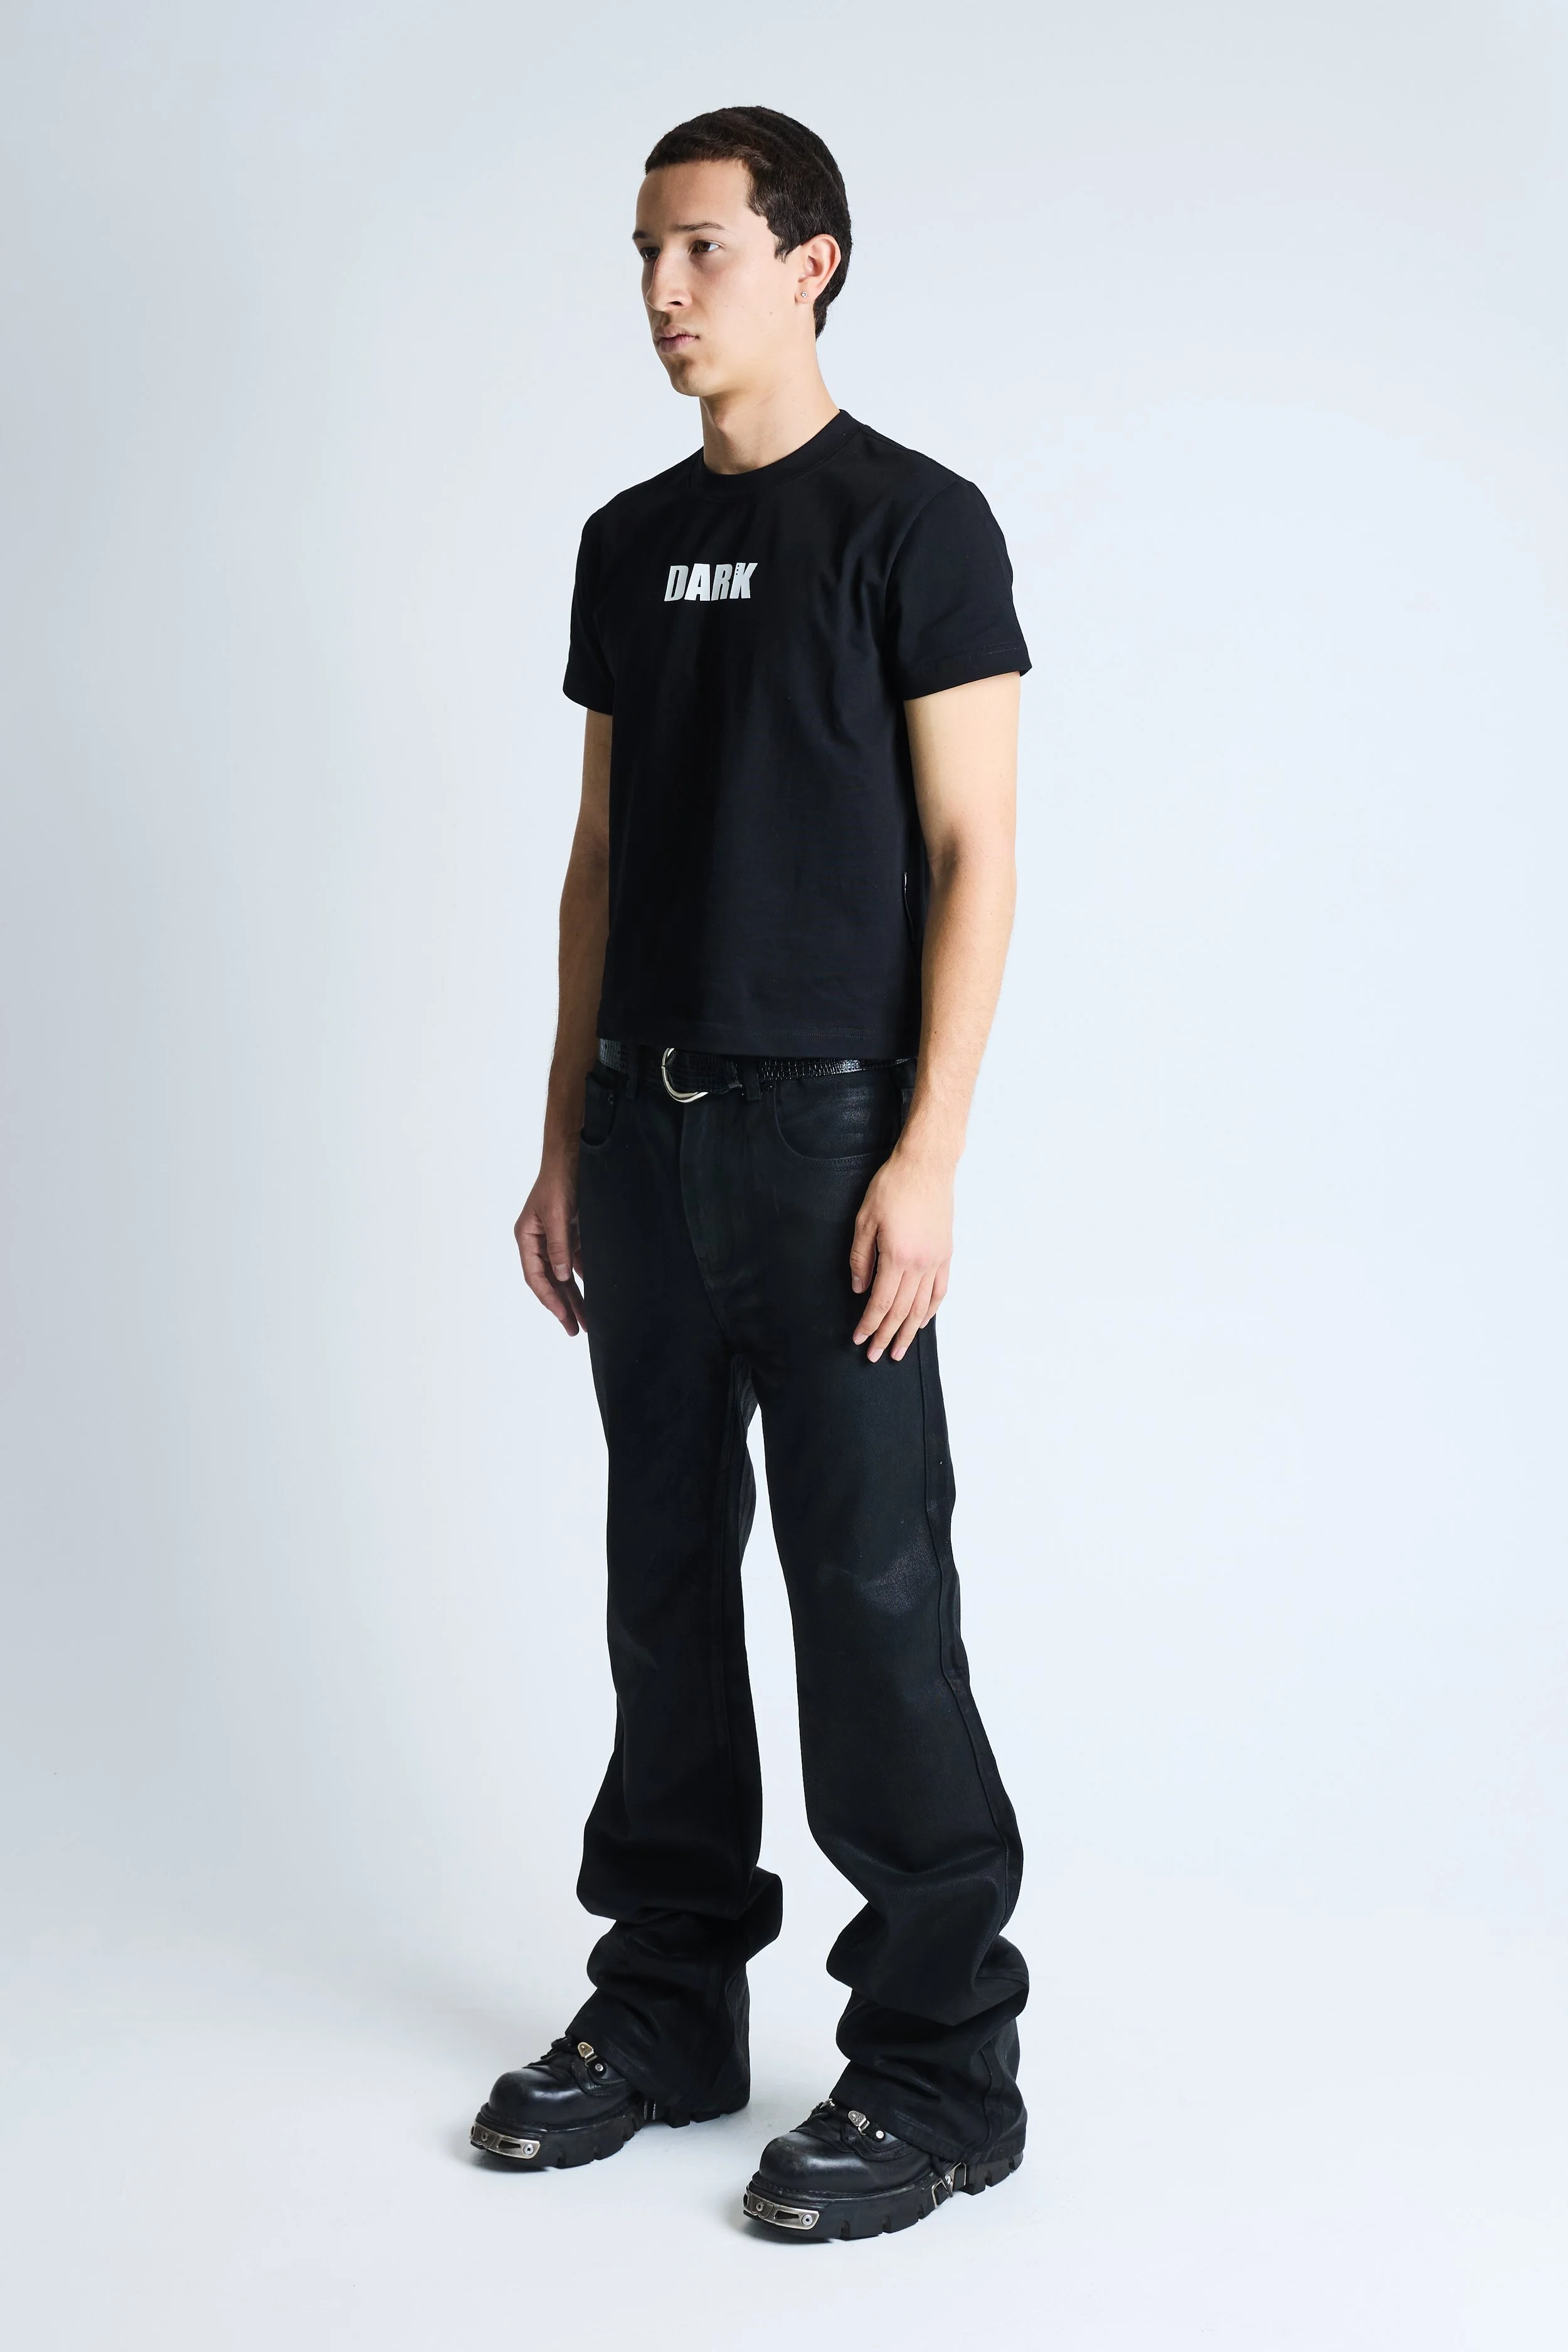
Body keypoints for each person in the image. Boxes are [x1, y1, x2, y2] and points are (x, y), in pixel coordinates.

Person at [469, 105, 1030, 2242]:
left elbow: (978, 854)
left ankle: (934, 2064)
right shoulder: (627, 544)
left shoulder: (915, 524)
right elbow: (601, 855)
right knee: (660, 1589)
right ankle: (671, 2008)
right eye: (641, 253)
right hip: (643, 1133)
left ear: (812, 261)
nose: (660, 292)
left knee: (871, 1592)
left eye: (700, 248)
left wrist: (928, 1152)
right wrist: (558, 1133)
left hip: (830, 1145)